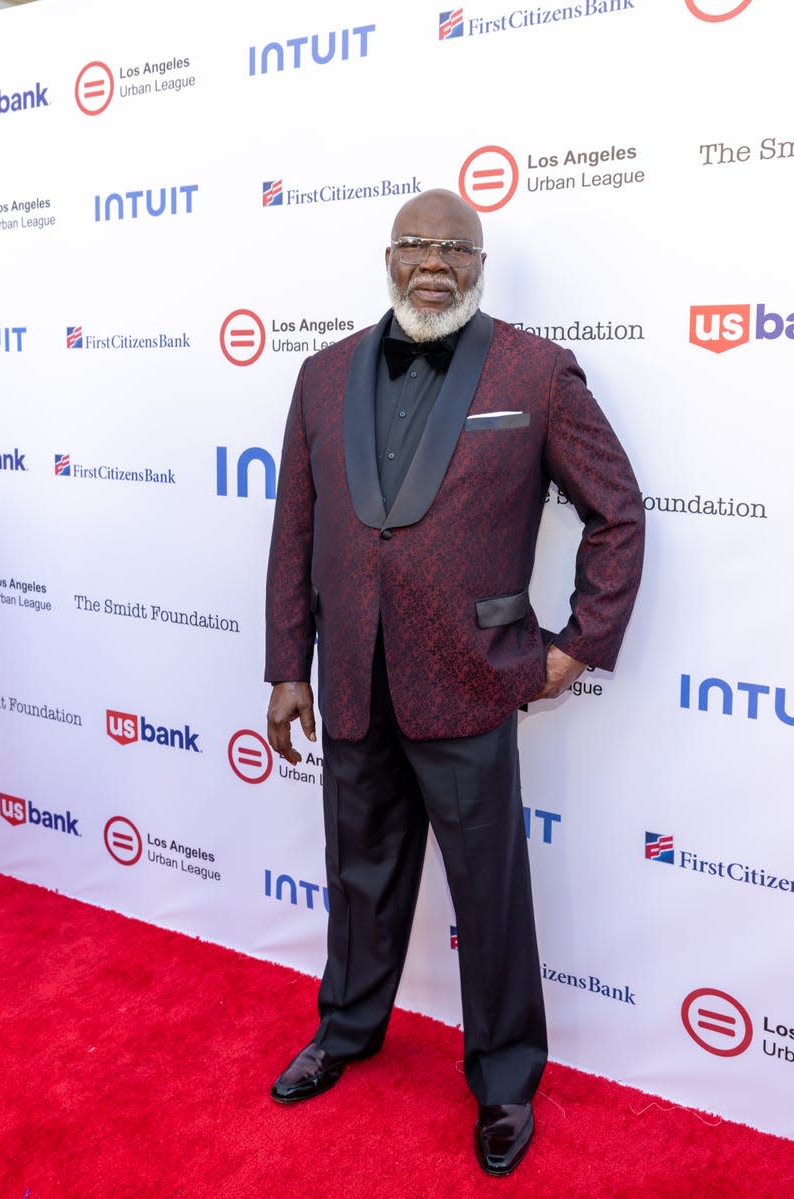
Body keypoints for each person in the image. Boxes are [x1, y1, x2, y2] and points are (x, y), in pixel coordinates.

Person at [264, 188, 644, 1176]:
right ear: (387, 255)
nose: (434, 261)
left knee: (490, 890)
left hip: (470, 678)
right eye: (416, 244)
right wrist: (284, 668)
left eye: (455, 248)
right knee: (358, 876)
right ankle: (346, 1030)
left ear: (479, 263)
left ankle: (506, 1079)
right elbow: (293, 535)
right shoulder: (319, 375)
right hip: (349, 674)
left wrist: (575, 643)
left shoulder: (534, 371)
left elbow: (617, 512)